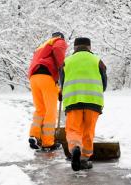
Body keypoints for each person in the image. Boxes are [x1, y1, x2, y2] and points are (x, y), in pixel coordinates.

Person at [60, 37, 107, 171]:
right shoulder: (97, 60)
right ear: (89, 47)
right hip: (94, 102)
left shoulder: (66, 62)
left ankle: (75, 148)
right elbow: (104, 84)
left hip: (73, 101)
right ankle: (85, 159)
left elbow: (62, 83)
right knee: (88, 131)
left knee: (73, 129)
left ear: (75, 48)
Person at [28, 32, 68, 151]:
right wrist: (63, 68)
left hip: (34, 77)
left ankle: (34, 135)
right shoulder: (58, 41)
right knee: (51, 111)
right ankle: (48, 142)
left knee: (40, 109)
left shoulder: (42, 46)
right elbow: (58, 51)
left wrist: (58, 88)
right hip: (46, 76)